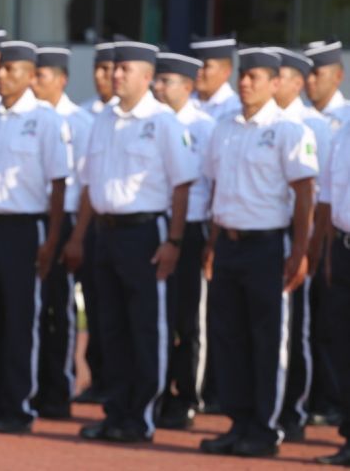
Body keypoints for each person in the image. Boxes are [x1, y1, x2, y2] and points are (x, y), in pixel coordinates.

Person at [67, 39, 198, 443]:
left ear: (146, 77)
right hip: (105, 232)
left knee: (146, 328)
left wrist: (174, 240)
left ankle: (141, 416)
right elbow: (89, 183)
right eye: (114, 68)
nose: (115, 75)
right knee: (111, 327)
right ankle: (115, 411)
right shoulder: (104, 119)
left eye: (125, 69)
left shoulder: (164, 123)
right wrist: (79, 236)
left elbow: (181, 186)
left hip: (145, 233)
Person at [199, 47, 318, 458]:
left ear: (275, 82)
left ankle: (265, 429)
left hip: (268, 245)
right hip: (229, 246)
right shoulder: (225, 128)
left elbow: (304, 196)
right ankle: (238, 422)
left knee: (267, 341)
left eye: (257, 76)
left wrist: (299, 251)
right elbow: (219, 190)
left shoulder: (290, 130)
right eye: (244, 75)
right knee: (229, 338)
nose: (246, 82)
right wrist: (213, 244)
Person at [0, 40, 69, 434]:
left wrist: (52, 240)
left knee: (21, 320)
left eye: (11, 70)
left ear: (30, 75)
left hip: (24, 229)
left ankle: (18, 406)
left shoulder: (46, 120)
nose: (1, 75)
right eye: (0, 68)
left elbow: (58, 185)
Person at [268, 47, 332, 441]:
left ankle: (294, 409)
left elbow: (319, 194)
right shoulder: (260, 124)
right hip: (266, 229)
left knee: (296, 327)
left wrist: (308, 247)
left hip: (299, 231)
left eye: (285, 76)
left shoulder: (313, 125)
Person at [151, 51, 215, 429]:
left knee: (189, 320)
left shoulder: (204, 127)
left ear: (188, 87)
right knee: (160, 316)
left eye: (166, 81)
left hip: (191, 230)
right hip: (160, 226)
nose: (158, 87)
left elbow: (214, 182)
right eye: (157, 80)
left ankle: (188, 396)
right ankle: (157, 392)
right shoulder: (154, 124)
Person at [31, 46, 92, 420]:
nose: (35, 83)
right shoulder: (28, 118)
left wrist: (75, 237)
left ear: (62, 79)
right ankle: (34, 386)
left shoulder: (79, 121)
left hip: (66, 220)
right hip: (32, 217)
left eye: (42, 76)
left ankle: (59, 388)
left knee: (59, 309)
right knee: (31, 310)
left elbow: (86, 184)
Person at [75, 40, 117, 406]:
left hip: (129, 225)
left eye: (113, 69)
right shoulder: (88, 114)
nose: (106, 77)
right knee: (97, 302)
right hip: (91, 222)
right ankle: (98, 376)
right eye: (100, 69)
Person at [315, 118, 350, 465]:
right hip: (342, 249)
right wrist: (326, 253)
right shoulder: (343, 130)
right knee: (343, 349)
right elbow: (327, 197)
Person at [190, 34, 242, 121]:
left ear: (226, 71)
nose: (198, 71)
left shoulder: (236, 109)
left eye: (206, 66)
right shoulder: (183, 101)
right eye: (196, 65)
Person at [304, 39, 348, 133]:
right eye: (307, 73)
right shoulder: (295, 114)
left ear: (338, 76)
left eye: (316, 73)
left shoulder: (347, 117)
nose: (309, 80)